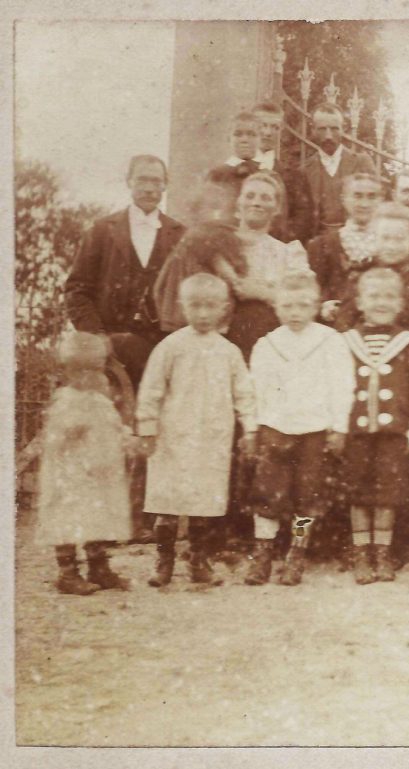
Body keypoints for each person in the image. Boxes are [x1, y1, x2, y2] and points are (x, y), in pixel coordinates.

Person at [135, 274, 257, 587]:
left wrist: (250, 428)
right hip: (173, 437)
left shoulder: (229, 351)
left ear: (224, 308)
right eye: (195, 305)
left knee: (204, 502)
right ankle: (164, 562)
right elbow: (151, 389)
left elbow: (244, 393)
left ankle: (199, 561)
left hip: (211, 439)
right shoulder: (170, 347)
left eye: (210, 306)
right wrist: (147, 427)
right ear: (182, 306)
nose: (202, 313)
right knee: (168, 503)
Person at [247, 270, 354, 586]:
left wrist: (339, 427)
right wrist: (253, 428)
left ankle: (296, 553)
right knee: (268, 493)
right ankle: (262, 555)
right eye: (287, 306)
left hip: (315, 429)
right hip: (275, 427)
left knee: (309, 494)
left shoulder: (330, 341)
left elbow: (342, 386)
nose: (295, 313)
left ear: (316, 306)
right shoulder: (267, 344)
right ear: (276, 307)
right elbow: (255, 391)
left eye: (303, 305)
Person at [339, 268, 409, 584]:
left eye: (390, 296)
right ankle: (361, 553)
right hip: (356, 433)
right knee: (358, 493)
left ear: (401, 303)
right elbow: (336, 386)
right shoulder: (346, 342)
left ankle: (382, 552)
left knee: (388, 495)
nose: (381, 302)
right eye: (374, 296)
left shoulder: (408, 344)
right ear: (360, 302)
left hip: (394, 434)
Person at [65, 154, 186, 389]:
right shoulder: (102, 230)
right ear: (128, 181)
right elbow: (76, 290)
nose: (149, 188)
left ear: (165, 185)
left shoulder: (181, 235)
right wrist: (96, 336)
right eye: (142, 180)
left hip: (161, 351)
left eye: (156, 181)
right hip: (110, 351)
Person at [35, 332, 135, 595]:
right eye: (81, 371)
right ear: (68, 372)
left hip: (98, 475)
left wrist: (127, 440)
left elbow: (114, 427)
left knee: (98, 519)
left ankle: (99, 568)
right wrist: (72, 430)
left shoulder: (100, 401)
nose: (90, 377)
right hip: (71, 477)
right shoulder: (65, 402)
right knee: (67, 521)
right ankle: (67, 573)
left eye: (96, 370)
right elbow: (55, 440)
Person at [221, 171, 309, 361]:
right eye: (250, 196)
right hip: (222, 343)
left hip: (273, 346)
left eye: (265, 198)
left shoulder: (288, 253)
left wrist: (259, 292)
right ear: (239, 202)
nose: (256, 202)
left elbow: (304, 298)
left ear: (276, 208)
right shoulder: (219, 246)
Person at [330, 203, 409, 350]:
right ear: (373, 238)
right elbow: (343, 326)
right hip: (364, 351)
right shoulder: (359, 276)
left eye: (399, 239)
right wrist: (368, 336)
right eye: (385, 238)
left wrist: (397, 338)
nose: (391, 246)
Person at [206, 110, 298, 244]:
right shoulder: (217, 176)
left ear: (260, 139)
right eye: (238, 134)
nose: (244, 140)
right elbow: (208, 216)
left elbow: (279, 220)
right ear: (228, 138)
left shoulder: (270, 177)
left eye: (251, 134)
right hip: (224, 244)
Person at [307, 172, 385, 303]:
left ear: (381, 200)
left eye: (372, 197)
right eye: (357, 196)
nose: (364, 204)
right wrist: (324, 306)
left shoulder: (391, 244)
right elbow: (313, 293)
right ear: (343, 199)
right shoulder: (321, 245)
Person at [302, 102, 375, 237]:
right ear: (313, 130)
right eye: (322, 129)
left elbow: (376, 206)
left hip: (356, 239)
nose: (328, 136)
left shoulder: (362, 162)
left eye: (334, 129)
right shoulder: (305, 170)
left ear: (344, 129)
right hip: (318, 242)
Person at [252, 101, 314, 244]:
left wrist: (277, 245)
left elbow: (303, 221)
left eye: (275, 127)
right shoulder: (235, 170)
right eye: (262, 125)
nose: (268, 132)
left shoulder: (295, 176)